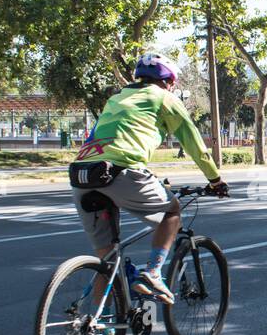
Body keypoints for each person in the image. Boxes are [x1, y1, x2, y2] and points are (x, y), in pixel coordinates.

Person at [71, 53, 227, 305]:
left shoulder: (117, 97)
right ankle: (153, 273)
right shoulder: (165, 98)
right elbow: (194, 143)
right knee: (171, 212)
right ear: (167, 81)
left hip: (83, 173)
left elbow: (110, 140)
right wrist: (215, 179)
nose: (173, 88)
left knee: (108, 260)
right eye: (173, 83)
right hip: (121, 171)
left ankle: (100, 332)